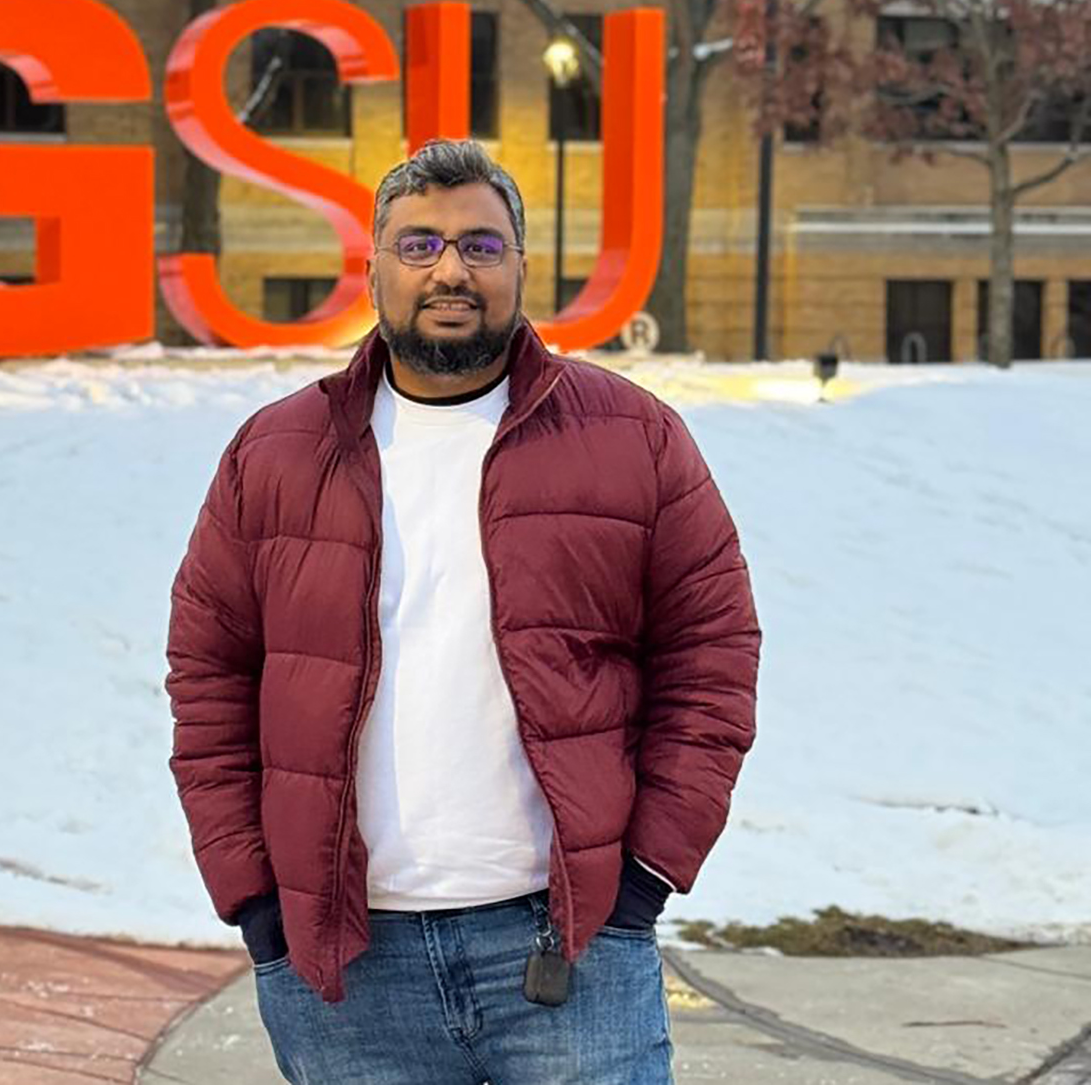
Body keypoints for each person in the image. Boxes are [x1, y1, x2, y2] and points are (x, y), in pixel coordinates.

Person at [164, 139, 760, 1084]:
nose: (451, 269)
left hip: (568, 949)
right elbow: (209, 676)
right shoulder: (276, 455)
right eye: (420, 245)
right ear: (373, 270)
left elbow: (711, 655)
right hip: (343, 970)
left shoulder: (634, 437)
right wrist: (255, 899)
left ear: (521, 266)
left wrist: (642, 880)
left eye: (482, 246)